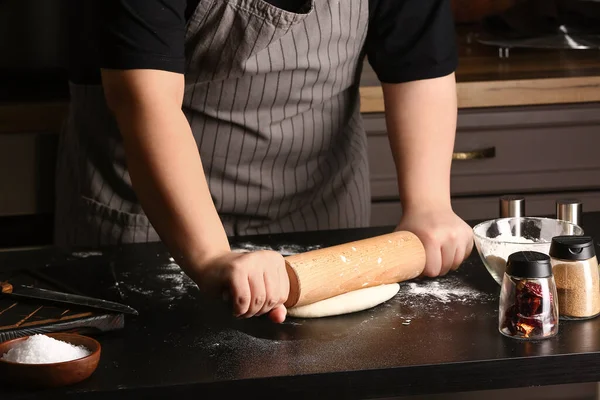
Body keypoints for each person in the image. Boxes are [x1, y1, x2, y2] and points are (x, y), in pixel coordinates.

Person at [57, 0, 474, 323]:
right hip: (149, 220)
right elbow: (144, 102)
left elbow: (420, 66)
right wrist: (211, 258)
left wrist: (429, 203)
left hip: (318, 210)